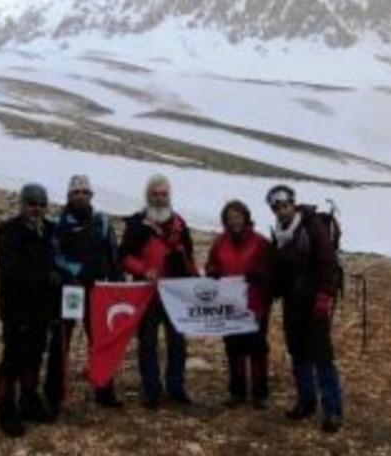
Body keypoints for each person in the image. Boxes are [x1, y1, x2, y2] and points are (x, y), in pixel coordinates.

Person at [267, 184, 344, 433]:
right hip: (293, 302)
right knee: (298, 352)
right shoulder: (279, 233)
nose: (281, 210)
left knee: (322, 355)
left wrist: (325, 295)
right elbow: (280, 273)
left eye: (284, 204)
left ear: (293, 203)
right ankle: (306, 401)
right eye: (276, 207)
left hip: (314, 300)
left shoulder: (312, 226)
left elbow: (327, 262)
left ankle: (332, 409)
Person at [118, 174, 197, 409]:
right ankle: (152, 389)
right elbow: (123, 257)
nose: (160, 198)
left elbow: (189, 257)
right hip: (147, 293)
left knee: (177, 342)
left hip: (175, 293)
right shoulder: (136, 224)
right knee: (148, 342)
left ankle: (176, 387)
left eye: (164, 194)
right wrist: (143, 270)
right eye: (155, 194)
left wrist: (196, 280)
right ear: (148, 195)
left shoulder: (180, 224)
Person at [48, 175, 123, 409]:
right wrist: (74, 272)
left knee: (100, 340)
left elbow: (113, 254)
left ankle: (104, 390)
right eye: (75, 192)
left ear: (91, 195)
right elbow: (54, 255)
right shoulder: (58, 223)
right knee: (61, 341)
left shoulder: (102, 221)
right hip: (69, 289)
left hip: (97, 290)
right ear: (69, 196)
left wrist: (117, 282)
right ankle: (54, 391)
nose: (80, 195)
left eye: (84, 191)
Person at [0, 183, 60, 437]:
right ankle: (5, 408)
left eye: (42, 204)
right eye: (32, 204)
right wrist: (47, 276)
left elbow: (56, 261)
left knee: (35, 355)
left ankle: (29, 401)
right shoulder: (9, 231)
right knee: (13, 358)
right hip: (17, 308)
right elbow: (12, 270)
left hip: (42, 308)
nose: (37, 209)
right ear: (23, 204)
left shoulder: (49, 231)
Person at [205, 200, 272, 410]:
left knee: (257, 348)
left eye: (238, 216)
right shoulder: (219, 242)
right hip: (229, 304)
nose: (234, 221)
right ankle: (237, 391)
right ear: (225, 221)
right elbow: (211, 264)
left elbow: (272, 268)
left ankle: (260, 393)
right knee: (233, 347)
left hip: (255, 303)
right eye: (230, 217)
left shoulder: (260, 242)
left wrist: (260, 274)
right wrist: (212, 273)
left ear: (246, 217)